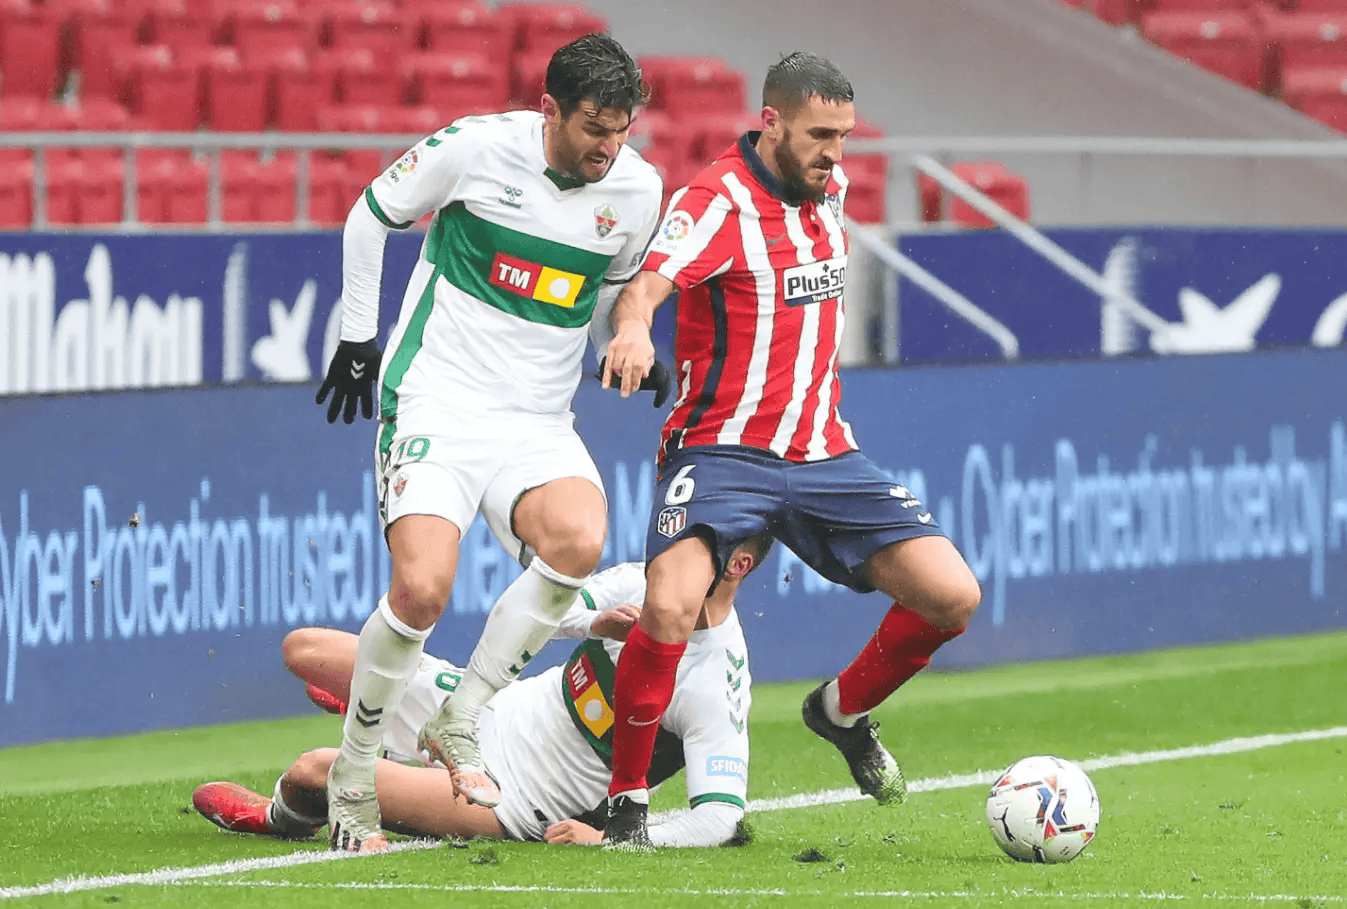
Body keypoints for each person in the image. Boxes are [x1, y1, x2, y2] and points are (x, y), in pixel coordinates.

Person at [599, 52, 983, 846]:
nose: (834, 154)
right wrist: (633, 331)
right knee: (668, 606)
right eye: (818, 136)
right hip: (721, 453)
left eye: (843, 136)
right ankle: (625, 805)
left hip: (822, 455)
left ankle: (839, 712)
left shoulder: (825, 189)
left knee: (952, 596)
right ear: (769, 122)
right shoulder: (716, 201)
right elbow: (642, 289)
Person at [310, 34, 668, 852]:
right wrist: (359, 338)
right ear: (549, 110)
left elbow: (611, 295)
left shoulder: (637, 188)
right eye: (593, 127)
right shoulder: (475, 149)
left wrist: (631, 338)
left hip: (537, 418)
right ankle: (354, 772)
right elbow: (370, 214)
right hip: (438, 399)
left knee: (578, 538)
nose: (609, 148)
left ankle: (461, 714)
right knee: (422, 590)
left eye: (622, 129)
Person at [191, 538, 768, 848]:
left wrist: (613, 837)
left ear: (738, 564)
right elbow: (546, 612)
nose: (678, 543)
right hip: (489, 712)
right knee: (305, 651)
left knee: (315, 771)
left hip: (515, 797)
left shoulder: (715, 680)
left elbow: (719, 818)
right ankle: (384, 719)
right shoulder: (649, 578)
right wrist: (594, 624)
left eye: (703, 541)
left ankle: (281, 817)